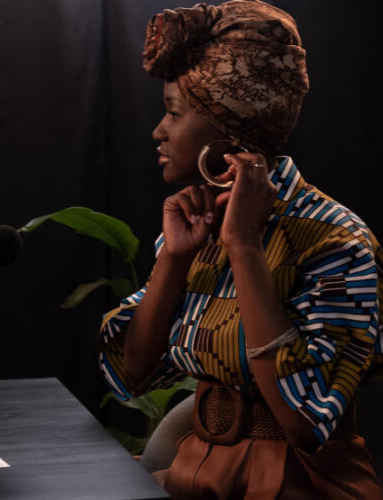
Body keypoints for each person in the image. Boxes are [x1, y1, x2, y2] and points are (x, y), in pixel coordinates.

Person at [98, 1, 383, 498]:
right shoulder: (199, 225)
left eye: (174, 113)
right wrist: (175, 258)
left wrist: (245, 247)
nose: (158, 130)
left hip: (302, 484)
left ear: (230, 134)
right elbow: (132, 373)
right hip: (198, 472)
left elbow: (303, 420)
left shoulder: (337, 239)